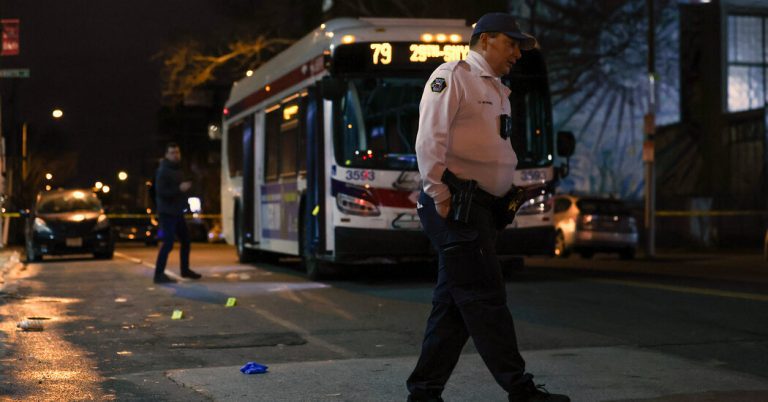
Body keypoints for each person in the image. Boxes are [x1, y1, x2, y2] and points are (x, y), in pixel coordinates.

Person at [407, 13, 569, 402]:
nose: (517, 53)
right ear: (486, 40)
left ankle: (424, 393)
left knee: (453, 307)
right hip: (457, 208)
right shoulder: (453, 76)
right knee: (485, 298)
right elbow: (429, 142)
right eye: (511, 44)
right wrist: (440, 196)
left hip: (480, 209)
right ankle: (520, 389)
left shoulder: (497, 87)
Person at [153, 142, 202, 283]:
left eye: (177, 152)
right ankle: (158, 274)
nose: (176, 155)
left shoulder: (179, 169)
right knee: (168, 243)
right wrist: (179, 189)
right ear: (167, 155)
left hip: (177, 212)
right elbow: (162, 192)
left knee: (186, 240)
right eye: (172, 153)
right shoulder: (163, 170)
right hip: (167, 213)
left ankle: (185, 270)